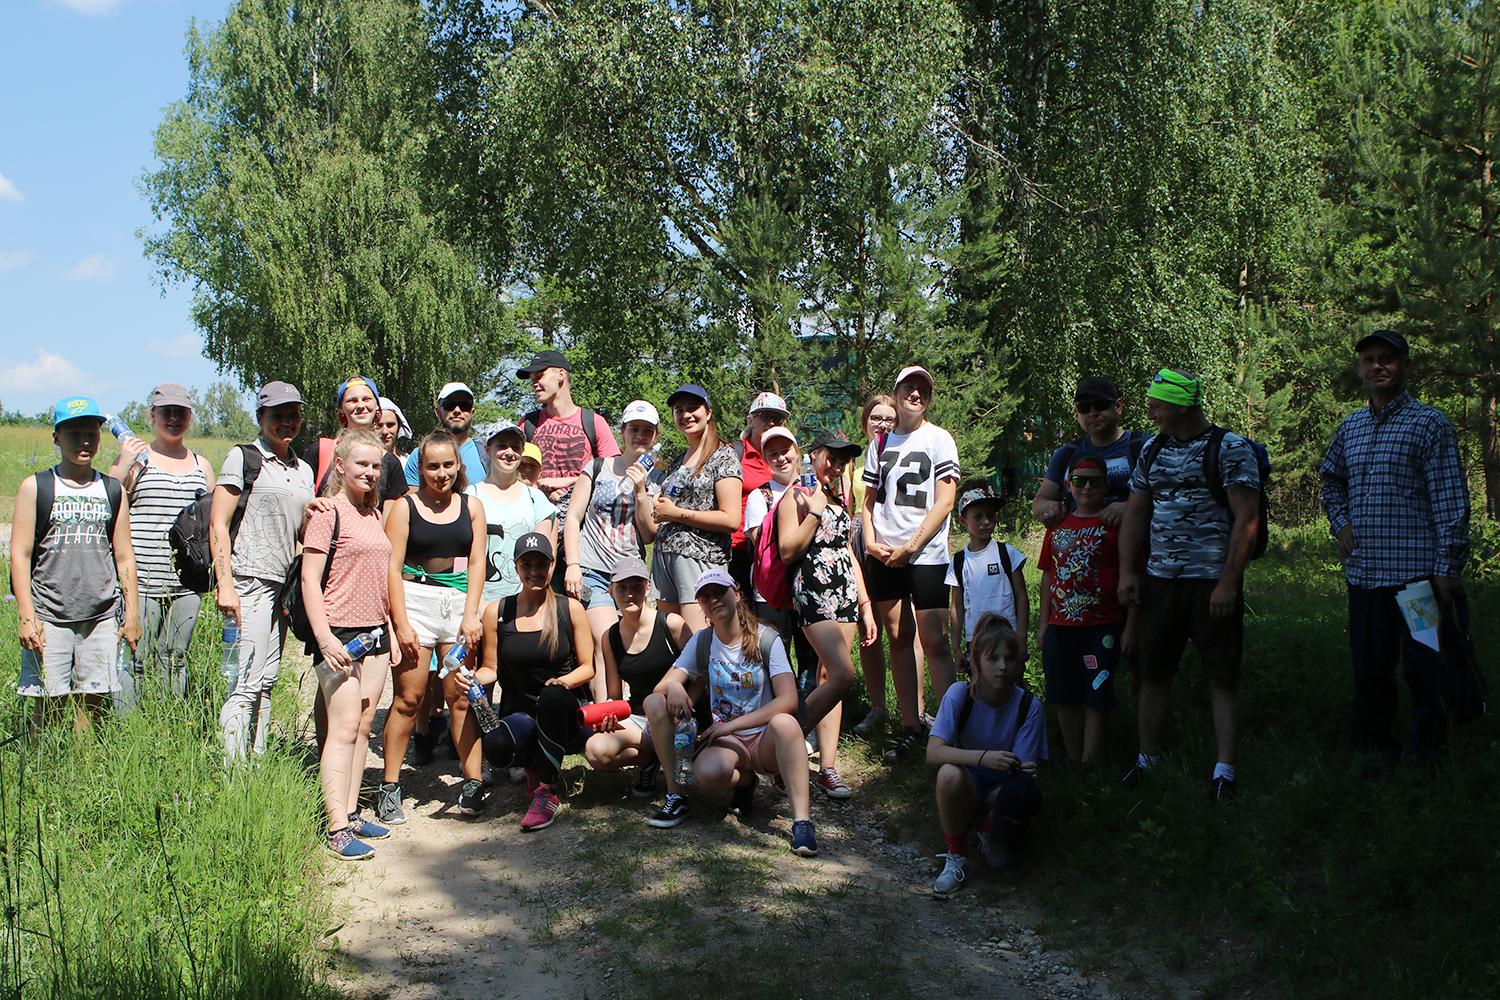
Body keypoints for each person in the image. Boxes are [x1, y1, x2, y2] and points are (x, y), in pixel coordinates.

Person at [1318, 329, 1472, 766]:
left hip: (1417, 580)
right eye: (1368, 359)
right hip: (1366, 576)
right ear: (1359, 370)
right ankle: (1373, 751)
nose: (1377, 366)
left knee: (1426, 668)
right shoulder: (1351, 426)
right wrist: (1341, 522)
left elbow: (1450, 501)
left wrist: (1448, 566)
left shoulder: (1429, 424)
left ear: (1405, 366)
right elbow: (1330, 478)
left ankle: (1432, 755)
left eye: (1387, 358)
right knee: (1370, 668)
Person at [1118, 369, 1260, 800]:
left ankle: (1224, 770)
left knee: (1222, 676)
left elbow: (1246, 520)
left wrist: (1228, 583)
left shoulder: (1231, 449)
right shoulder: (1152, 450)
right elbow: (1136, 513)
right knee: (1152, 671)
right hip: (1161, 582)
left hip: (1211, 585)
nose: (1150, 411)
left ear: (1181, 405)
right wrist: (1128, 572)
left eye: (1157, 404)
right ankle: (1147, 759)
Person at [641, 570, 819, 858]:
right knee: (706, 775)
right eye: (705, 597)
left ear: (736, 594)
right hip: (729, 743)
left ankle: (802, 822)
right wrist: (674, 686)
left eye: (719, 592)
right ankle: (746, 782)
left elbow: (788, 700)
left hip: (764, 738)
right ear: (701, 606)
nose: (714, 600)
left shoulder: (765, 638)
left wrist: (730, 725)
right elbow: (662, 687)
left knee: (785, 723)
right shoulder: (703, 641)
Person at [11, 395, 141, 730]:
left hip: (100, 616)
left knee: (93, 706)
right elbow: (20, 554)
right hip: (48, 615)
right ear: (56, 437)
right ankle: (46, 775)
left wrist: (133, 613)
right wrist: (27, 616)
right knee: (46, 706)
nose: (84, 441)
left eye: (91, 433)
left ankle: (84, 773)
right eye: (74, 434)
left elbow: (124, 556)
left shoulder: (112, 489)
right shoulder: (36, 486)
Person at [299, 429, 394, 860]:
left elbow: (381, 581)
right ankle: (336, 827)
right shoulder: (327, 512)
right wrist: (323, 638)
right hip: (339, 636)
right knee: (340, 730)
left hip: (375, 634)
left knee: (361, 727)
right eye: (361, 464)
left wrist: (391, 632)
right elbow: (309, 580)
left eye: (376, 466)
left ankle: (352, 814)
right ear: (340, 465)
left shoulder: (373, 516)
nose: (370, 473)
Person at [383, 430, 486, 822]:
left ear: (458, 466)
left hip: (458, 603)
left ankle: (473, 782)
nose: (440, 473)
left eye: (447, 465)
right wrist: (402, 622)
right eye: (432, 466)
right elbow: (392, 568)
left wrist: (471, 613)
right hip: (415, 600)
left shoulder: (472, 506)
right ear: (420, 468)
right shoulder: (405, 508)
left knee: (462, 696)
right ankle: (391, 785)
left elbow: (477, 562)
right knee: (409, 699)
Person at [210, 382, 315, 761]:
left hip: (282, 585)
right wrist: (225, 585)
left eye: (293, 415)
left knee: (267, 679)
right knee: (244, 679)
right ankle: (232, 771)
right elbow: (218, 523)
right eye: (278, 416)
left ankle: (257, 762)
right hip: (249, 579)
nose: (287, 422)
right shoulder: (244, 458)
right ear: (261, 418)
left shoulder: (302, 467)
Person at [862, 365, 960, 761]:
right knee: (899, 639)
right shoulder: (881, 442)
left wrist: (912, 546)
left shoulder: (939, 439)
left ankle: (952, 730)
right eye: (909, 387)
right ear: (897, 391)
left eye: (923, 389)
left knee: (935, 641)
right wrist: (870, 539)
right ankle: (911, 725)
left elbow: (946, 500)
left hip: (927, 555)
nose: (915, 394)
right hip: (885, 553)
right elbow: (868, 501)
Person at [777, 429, 877, 799]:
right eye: (830, 456)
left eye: (843, 458)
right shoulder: (797, 495)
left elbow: (849, 554)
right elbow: (789, 550)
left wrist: (865, 605)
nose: (836, 464)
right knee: (842, 674)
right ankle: (785, 741)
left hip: (845, 592)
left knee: (828, 676)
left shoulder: (842, 496)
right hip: (814, 592)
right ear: (814, 454)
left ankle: (828, 767)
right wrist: (815, 511)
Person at [474, 533, 595, 829]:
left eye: (541, 564)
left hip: (565, 713)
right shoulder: (498, 612)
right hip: (522, 714)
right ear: (516, 568)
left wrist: (564, 681)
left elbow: (587, 667)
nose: (534, 572)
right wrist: (469, 680)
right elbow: (490, 668)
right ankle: (534, 765)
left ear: (553, 566)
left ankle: (548, 790)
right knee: (497, 746)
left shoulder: (570, 608)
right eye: (526, 564)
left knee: (551, 695)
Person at [106, 384, 215, 708]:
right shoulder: (138, 459)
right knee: (135, 655)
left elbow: (214, 520)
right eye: (166, 412)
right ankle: (127, 727)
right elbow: (109, 497)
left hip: (186, 583)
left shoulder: (201, 464)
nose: (173, 418)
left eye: (180, 412)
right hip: (143, 577)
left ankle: (171, 720)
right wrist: (124, 461)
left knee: (175, 657)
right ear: (152, 416)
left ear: (189, 417)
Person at [926, 613, 1046, 897]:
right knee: (947, 773)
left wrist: (1025, 770)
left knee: (1024, 793)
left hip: (1000, 790)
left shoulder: (1028, 705)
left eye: (1009, 659)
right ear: (977, 661)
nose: (1002, 667)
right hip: (969, 783)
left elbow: (1020, 769)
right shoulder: (959, 694)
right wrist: (982, 758)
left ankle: (990, 831)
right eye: (993, 659)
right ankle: (956, 855)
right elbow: (933, 752)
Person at [562, 400, 662, 701]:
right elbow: (572, 517)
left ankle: (628, 709)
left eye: (647, 431)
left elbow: (648, 534)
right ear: (623, 432)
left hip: (629, 573)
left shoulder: (656, 479)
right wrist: (573, 564)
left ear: (655, 436)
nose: (640, 436)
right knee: (605, 641)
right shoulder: (597, 467)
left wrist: (641, 489)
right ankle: (608, 712)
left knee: (630, 643)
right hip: (592, 569)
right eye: (634, 429)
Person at [1038, 457, 1135, 762]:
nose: (1087, 487)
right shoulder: (1056, 526)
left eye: (1095, 480)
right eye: (1080, 481)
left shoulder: (1117, 527)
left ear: (1107, 485)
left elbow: (1134, 580)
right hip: (1060, 626)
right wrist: (1043, 625)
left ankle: (1091, 763)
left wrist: (1131, 628)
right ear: (1068, 486)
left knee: (1098, 694)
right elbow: (1048, 576)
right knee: (1063, 695)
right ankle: (1073, 757)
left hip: (1103, 626)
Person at [581, 556, 694, 796]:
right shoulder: (610, 637)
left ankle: (675, 789)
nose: (629, 594)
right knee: (595, 750)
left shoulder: (671, 624)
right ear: (611, 591)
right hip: (640, 720)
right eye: (622, 587)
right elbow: (615, 695)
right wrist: (609, 713)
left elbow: (699, 671)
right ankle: (649, 761)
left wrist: (688, 704)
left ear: (648, 589)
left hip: (676, 717)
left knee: (655, 705)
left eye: (637, 587)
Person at [650, 384, 744, 633]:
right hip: (664, 558)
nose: (686, 415)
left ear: (708, 412)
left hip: (699, 558)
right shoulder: (677, 460)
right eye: (679, 410)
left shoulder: (723, 456)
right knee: (671, 639)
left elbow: (731, 518)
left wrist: (677, 514)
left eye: (693, 408)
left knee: (698, 639)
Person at [849, 394, 914, 737]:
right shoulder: (852, 465)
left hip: (896, 541)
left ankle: (914, 709)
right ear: (865, 422)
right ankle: (877, 707)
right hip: (861, 540)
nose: (883, 424)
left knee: (903, 626)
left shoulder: (905, 453)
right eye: (876, 418)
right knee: (868, 627)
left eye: (889, 418)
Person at [516, 349, 621, 519]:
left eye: (539, 376)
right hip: (539, 520)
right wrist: (541, 490)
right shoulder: (527, 424)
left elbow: (615, 474)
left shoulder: (593, 422)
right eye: (532, 379)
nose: (534, 383)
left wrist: (569, 482)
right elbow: (511, 471)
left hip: (584, 524)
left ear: (561, 374)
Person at [1032, 377, 1146, 528]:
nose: (1093, 413)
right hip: (1077, 547)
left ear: (1118, 406)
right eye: (1084, 407)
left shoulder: (1144, 447)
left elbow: (1171, 500)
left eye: (1100, 405)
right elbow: (1040, 501)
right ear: (1077, 414)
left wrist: (1132, 508)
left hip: (1131, 548)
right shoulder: (1065, 454)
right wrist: (1049, 508)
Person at [467, 420, 558, 603]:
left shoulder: (536, 499)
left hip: (524, 604)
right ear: (487, 450)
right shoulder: (470, 496)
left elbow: (545, 558)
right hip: (480, 602)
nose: (509, 452)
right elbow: (461, 556)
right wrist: (472, 605)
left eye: (515, 447)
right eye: (502, 446)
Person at [946, 488, 1029, 668]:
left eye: (990, 516)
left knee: (1010, 687)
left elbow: (1022, 597)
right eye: (978, 516)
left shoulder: (1007, 553)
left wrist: (1021, 638)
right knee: (979, 690)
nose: (985, 522)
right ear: (963, 521)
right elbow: (957, 606)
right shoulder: (959, 561)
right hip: (975, 641)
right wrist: (955, 647)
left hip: (1008, 636)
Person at [302, 376, 408, 509]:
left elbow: (390, 524)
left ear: (377, 405)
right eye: (352, 400)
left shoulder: (391, 463)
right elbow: (301, 502)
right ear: (341, 408)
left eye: (366, 399)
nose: (361, 405)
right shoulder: (320, 451)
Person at [729, 391, 790, 591]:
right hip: (736, 549)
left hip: (777, 549)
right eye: (764, 416)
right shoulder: (734, 453)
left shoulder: (786, 456)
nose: (771, 423)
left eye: (777, 418)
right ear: (750, 420)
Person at [402, 382, 489, 489]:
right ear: (438, 412)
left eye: (464, 405)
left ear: (472, 412)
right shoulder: (419, 455)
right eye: (450, 405)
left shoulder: (487, 455)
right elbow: (412, 501)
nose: (457, 410)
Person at [376, 396, 412, 461]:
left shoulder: (409, 463)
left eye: (390, 425)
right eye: (379, 426)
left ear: (399, 426)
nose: (384, 431)